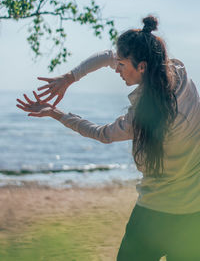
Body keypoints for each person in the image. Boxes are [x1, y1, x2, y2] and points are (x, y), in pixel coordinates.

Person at [16, 15, 200, 261]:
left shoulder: (140, 117)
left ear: (142, 67)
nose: (118, 70)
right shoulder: (180, 75)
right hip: (193, 217)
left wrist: (56, 114)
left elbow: (101, 134)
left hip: (154, 216)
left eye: (122, 65)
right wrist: (70, 77)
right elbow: (108, 56)